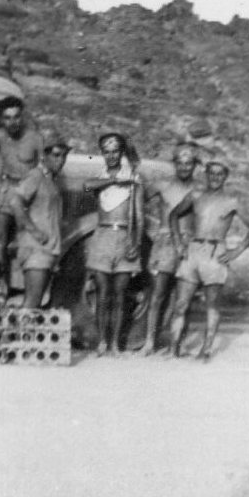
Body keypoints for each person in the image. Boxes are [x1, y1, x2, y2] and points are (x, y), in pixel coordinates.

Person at [167, 154, 249, 360]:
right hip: (192, 250)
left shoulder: (232, 201)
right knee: (181, 304)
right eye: (212, 173)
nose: (215, 177)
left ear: (225, 177)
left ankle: (206, 349)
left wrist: (237, 250)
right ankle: (173, 349)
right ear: (206, 174)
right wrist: (177, 242)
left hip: (215, 253)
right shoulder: (195, 195)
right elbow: (173, 215)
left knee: (212, 304)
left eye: (220, 174)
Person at [83, 132, 144, 356]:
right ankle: (101, 341)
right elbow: (86, 186)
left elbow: (139, 216)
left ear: (121, 153)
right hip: (102, 236)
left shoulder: (134, 179)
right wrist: (116, 180)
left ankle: (116, 344)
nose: (111, 156)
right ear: (102, 154)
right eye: (106, 152)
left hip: (124, 237)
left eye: (115, 151)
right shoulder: (100, 178)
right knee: (102, 293)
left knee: (120, 294)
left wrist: (136, 242)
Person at [138, 142, 199, 355]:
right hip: (164, 242)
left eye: (189, 164)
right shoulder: (163, 185)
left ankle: (177, 343)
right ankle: (149, 342)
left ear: (194, 166)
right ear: (174, 165)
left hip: (189, 244)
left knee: (184, 298)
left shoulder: (198, 190)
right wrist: (147, 226)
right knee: (157, 294)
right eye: (180, 164)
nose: (184, 168)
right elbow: (139, 198)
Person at [0, 96, 44, 299]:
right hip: (7, 188)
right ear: (1, 120)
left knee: (25, 239)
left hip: (28, 191)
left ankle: (28, 285)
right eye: (7, 118)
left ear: (23, 116)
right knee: (0, 239)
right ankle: (2, 281)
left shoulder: (35, 138)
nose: (12, 122)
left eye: (16, 117)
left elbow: (43, 168)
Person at [8, 132, 70, 309]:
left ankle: (23, 335)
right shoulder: (36, 176)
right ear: (45, 156)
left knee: (36, 303)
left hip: (48, 249)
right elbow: (15, 201)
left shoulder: (51, 180)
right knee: (31, 302)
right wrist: (33, 230)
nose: (61, 160)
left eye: (64, 156)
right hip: (36, 250)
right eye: (56, 155)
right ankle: (18, 336)